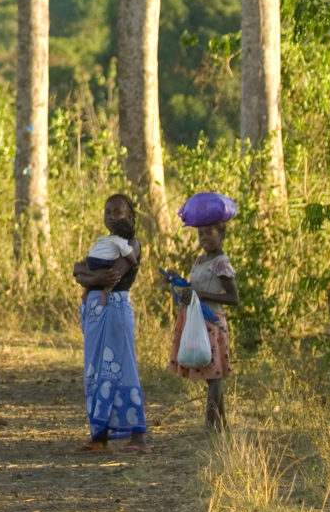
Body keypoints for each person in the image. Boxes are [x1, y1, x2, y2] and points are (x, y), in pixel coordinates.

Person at [72, 193, 146, 453]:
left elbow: (109, 276)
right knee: (95, 372)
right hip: (96, 313)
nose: (112, 217)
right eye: (108, 212)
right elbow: (84, 270)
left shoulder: (131, 244)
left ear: (129, 216)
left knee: (122, 369)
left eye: (118, 212)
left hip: (114, 310)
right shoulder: (104, 244)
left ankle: (138, 437)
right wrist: (84, 274)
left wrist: (84, 275)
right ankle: (99, 437)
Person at [164, 191, 240, 429]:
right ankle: (221, 424)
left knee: (214, 375)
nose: (205, 237)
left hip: (213, 322)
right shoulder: (200, 261)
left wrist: (201, 294)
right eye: (201, 234)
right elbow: (195, 288)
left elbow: (233, 298)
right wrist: (182, 285)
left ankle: (210, 425)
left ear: (222, 234)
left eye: (211, 232)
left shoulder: (221, 263)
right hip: (198, 321)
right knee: (212, 374)